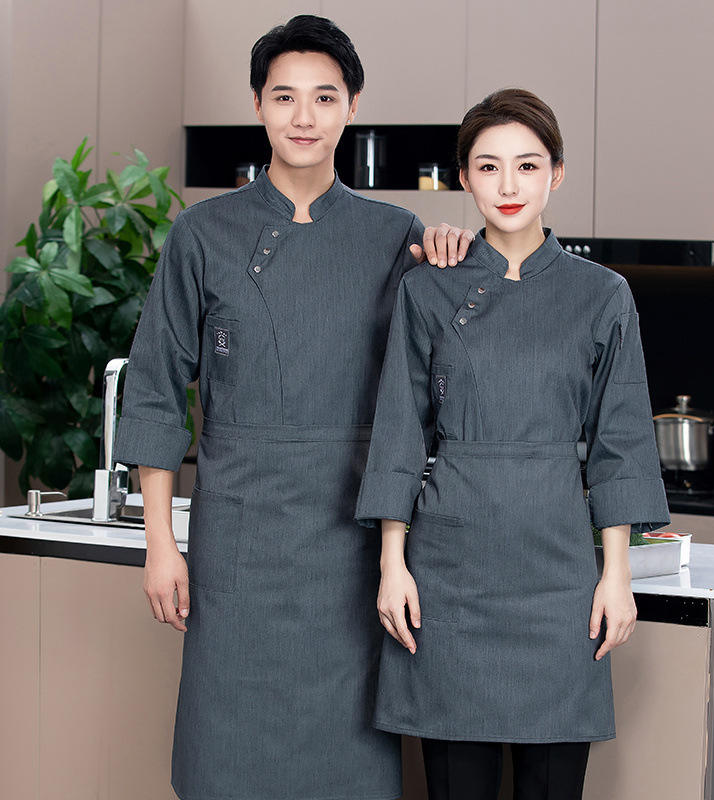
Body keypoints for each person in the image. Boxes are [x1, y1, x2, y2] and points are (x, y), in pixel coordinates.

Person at [113, 14, 473, 800]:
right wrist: (159, 544)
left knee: (348, 762)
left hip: (353, 544)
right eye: (284, 97)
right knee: (225, 760)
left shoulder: (396, 235)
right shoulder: (202, 234)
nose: (303, 116)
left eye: (324, 97)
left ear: (352, 106)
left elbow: (434, 381)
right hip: (237, 544)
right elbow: (155, 388)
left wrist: (451, 266)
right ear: (258, 105)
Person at [354, 88, 671, 800]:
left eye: (527, 166)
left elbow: (620, 440)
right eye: (488, 166)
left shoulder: (603, 294)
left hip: (560, 580)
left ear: (556, 173)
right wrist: (392, 565)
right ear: (464, 178)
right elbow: (399, 431)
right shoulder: (426, 291)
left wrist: (616, 575)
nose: (508, 185)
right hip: (448, 578)